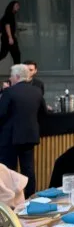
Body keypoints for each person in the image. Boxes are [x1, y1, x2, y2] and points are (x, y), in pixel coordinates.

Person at [0, 64, 47, 199]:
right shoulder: (37, 91)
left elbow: (1, 113)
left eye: (11, 76)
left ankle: (10, 202)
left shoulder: (9, 92)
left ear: (17, 76)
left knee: (8, 171)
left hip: (10, 138)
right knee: (28, 170)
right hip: (29, 136)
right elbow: (44, 113)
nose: (9, 78)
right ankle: (30, 198)